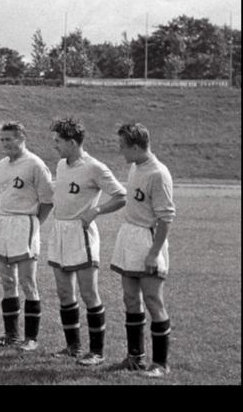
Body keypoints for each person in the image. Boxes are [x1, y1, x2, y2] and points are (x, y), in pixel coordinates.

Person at [48, 117, 126, 365]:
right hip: (59, 231)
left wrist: (96, 211)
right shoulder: (61, 165)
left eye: (58, 141)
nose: (55, 145)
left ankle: (97, 352)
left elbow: (121, 196)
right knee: (63, 292)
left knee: (88, 293)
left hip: (81, 234)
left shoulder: (95, 167)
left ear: (72, 142)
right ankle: (72, 347)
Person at [110, 123, 175, 378]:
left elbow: (166, 218)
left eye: (123, 147)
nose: (120, 152)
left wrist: (153, 253)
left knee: (153, 300)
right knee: (130, 298)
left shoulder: (158, 173)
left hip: (148, 240)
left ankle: (160, 364)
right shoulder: (136, 166)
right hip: (129, 237)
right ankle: (135, 357)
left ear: (136, 147)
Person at [0, 122, 54, 351]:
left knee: (27, 282)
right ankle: (11, 335)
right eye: (2, 140)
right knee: (8, 282)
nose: (5, 144)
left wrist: (34, 224)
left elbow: (47, 200)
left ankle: (31, 338)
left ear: (21, 138)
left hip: (24, 224)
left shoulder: (35, 164)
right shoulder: (1, 165)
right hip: (3, 223)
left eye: (9, 139)